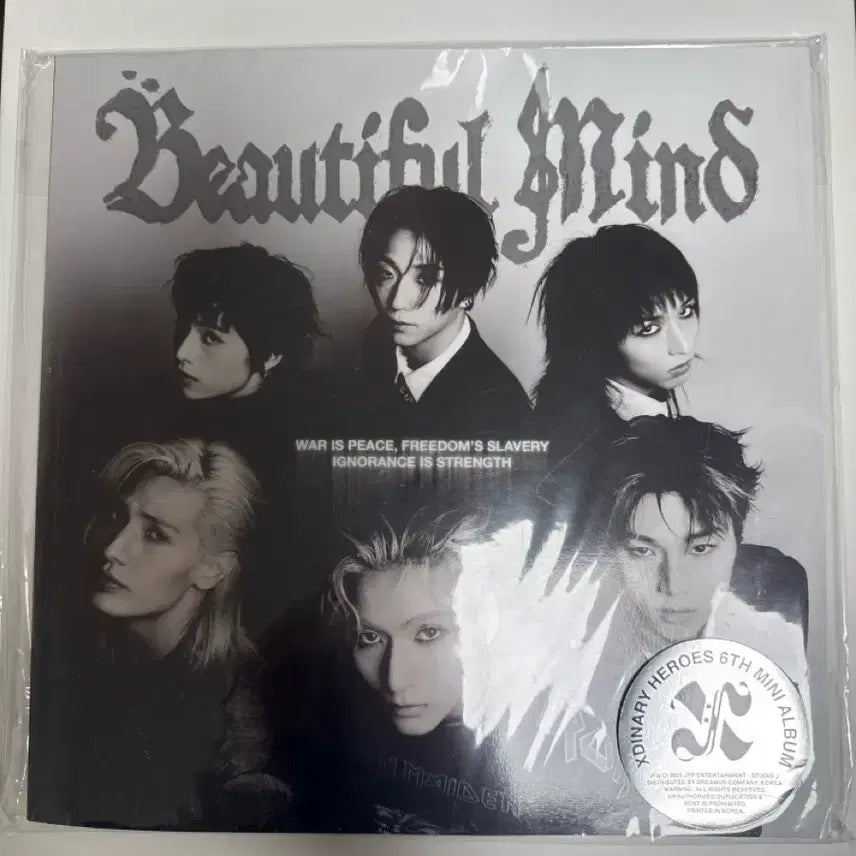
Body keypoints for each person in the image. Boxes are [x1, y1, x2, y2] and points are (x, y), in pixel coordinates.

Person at [503, 416, 810, 834]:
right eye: (642, 551)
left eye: (701, 547)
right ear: (607, 553)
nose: (674, 585)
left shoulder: (775, 590)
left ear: (738, 541)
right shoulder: (561, 645)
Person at [65, 439, 288, 830]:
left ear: (210, 569)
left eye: (155, 535)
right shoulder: (90, 668)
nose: (114, 549)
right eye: (117, 517)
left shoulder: (238, 725)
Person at [170, 243, 333, 633]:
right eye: (185, 328)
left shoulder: (289, 449)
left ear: (272, 354)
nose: (182, 352)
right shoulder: (181, 414)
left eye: (210, 338)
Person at [355, 185, 532, 438]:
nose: (396, 301)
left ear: (468, 292)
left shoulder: (500, 413)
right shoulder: (379, 341)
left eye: (425, 279)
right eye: (386, 274)